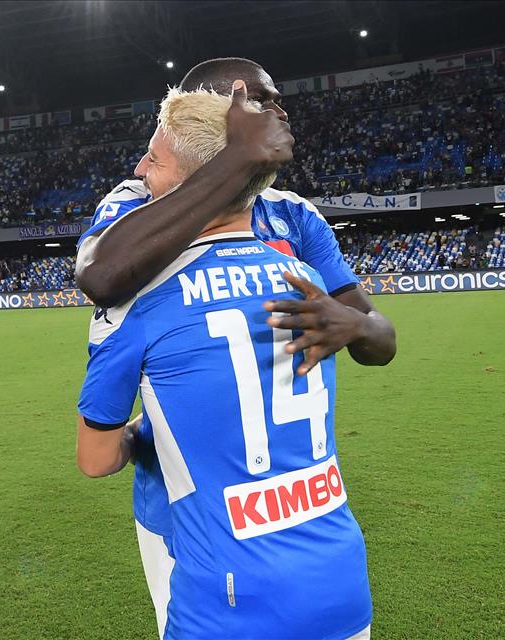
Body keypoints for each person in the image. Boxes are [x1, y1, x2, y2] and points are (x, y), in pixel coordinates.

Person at [74, 57, 395, 635]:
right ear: (216, 115)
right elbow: (101, 274)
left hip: (274, 497)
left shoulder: (294, 214)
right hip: (178, 495)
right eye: (261, 101)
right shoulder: (138, 193)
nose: (278, 112)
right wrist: (234, 163)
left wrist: (359, 327)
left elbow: (377, 334)